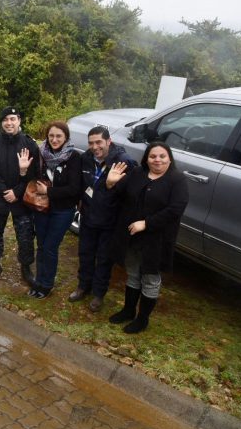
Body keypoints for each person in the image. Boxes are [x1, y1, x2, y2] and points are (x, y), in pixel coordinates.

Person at [105, 142, 188, 333]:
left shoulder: (177, 180)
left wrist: (147, 223)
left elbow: (176, 209)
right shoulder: (137, 174)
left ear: (169, 158)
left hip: (156, 240)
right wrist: (110, 182)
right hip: (132, 236)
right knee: (133, 273)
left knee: (150, 278)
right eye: (153, 156)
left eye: (162, 156)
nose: (157, 160)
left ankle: (142, 319)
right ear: (146, 158)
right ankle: (128, 311)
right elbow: (118, 193)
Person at [70, 126, 136, 311]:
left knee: (104, 258)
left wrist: (110, 186)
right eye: (91, 143)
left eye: (99, 142)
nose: (95, 147)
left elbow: (130, 194)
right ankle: (83, 286)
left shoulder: (124, 162)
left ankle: (98, 294)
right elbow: (83, 185)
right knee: (85, 254)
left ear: (109, 141)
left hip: (110, 221)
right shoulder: (86, 159)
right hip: (89, 217)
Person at [0, 106, 40, 285]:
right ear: (1, 123)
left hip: (22, 199)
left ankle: (26, 267)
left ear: (19, 120)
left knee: (25, 235)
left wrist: (17, 191)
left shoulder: (29, 144)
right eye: (5, 119)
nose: (9, 123)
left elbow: (35, 173)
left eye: (12, 119)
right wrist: (4, 191)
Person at [28, 121, 81, 299]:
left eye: (59, 136)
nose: (54, 139)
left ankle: (46, 284)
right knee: (41, 245)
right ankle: (38, 280)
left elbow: (74, 189)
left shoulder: (74, 157)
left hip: (63, 210)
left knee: (51, 247)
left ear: (66, 137)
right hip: (42, 207)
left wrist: (49, 191)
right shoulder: (40, 153)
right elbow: (33, 176)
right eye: (51, 135)